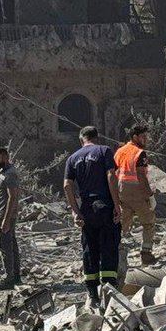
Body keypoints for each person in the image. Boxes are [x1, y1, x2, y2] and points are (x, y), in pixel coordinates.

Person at [64, 126, 123, 308]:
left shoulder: (72, 158)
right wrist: (116, 205)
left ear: (81, 140)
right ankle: (109, 291)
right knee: (108, 247)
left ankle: (92, 293)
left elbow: (67, 186)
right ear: (96, 138)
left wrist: (76, 211)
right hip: (104, 206)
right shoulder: (104, 150)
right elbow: (111, 176)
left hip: (87, 209)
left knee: (90, 250)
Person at [115, 124, 156, 268]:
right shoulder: (140, 153)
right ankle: (146, 254)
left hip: (121, 190)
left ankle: (115, 254)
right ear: (135, 137)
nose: (146, 139)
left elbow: (114, 173)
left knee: (122, 224)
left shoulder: (119, 151)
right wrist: (150, 195)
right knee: (148, 222)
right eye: (143, 137)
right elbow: (141, 175)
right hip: (137, 190)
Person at [0, 147, 22, 290]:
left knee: (5, 248)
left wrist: (6, 219)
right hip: (2, 214)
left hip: (4, 216)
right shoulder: (3, 173)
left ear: (5, 157)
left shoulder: (10, 174)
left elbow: (13, 197)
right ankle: (15, 276)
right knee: (11, 245)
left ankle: (9, 278)